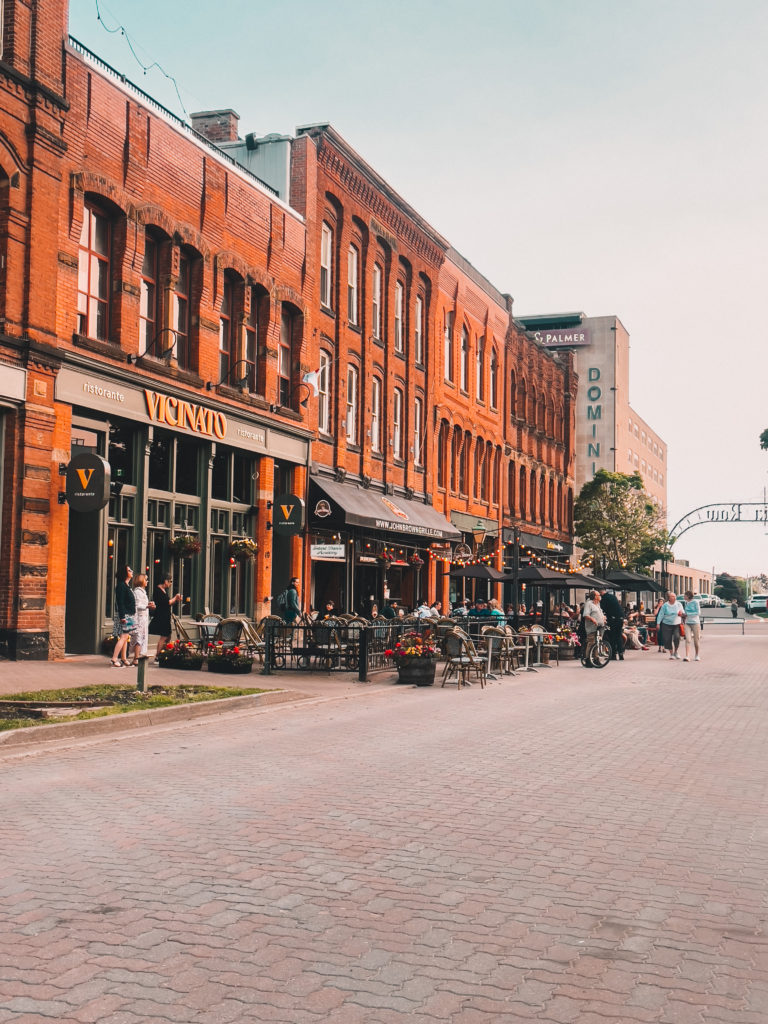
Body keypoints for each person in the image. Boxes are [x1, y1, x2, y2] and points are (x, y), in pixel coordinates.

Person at [149, 572, 181, 663]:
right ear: (165, 581)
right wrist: (175, 598)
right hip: (161, 616)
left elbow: (167, 604)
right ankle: (158, 656)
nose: (171, 583)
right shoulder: (158, 590)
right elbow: (166, 603)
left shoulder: (163, 590)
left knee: (168, 636)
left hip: (165, 615)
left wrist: (175, 600)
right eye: (170, 581)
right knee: (164, 636)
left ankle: (164, 654)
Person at [112, 564, 135, 668]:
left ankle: (124, 658)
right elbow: (120, 602)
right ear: (125, 573)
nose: (132, 571)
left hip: (129, 614)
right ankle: (114, 658)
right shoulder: (121, 586)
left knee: (125, 637)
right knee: (124, 636)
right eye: (129, 570)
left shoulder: (126, 586)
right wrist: (122, 617)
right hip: (125, 615)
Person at [128, 573, 150, 665]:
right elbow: (137, 606)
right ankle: (136, 658)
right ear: (141, 581)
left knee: (141, 637)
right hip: (139, 619)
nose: (147, 581)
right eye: (146, 580)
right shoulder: (137, 592)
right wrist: (147, 606)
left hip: (143, 618)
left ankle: (138, 656)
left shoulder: (142, 592)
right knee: (138, 637)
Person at [657, 591, 685, 659]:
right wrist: (658, 623)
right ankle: (671, 653)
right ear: (669, 598)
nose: (674, 597)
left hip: (676, 624)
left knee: (677, 638)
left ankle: (676, 652)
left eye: (675, 596)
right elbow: (660, 615)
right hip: (666, 624)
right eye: (672, 596)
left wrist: (682, 614)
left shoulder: (679, 604)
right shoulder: (665, 605)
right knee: (667, 639)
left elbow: (683, 612)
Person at [600, 588, 625, 661]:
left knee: (612, 637)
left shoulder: (604, 598)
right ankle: (621, 654)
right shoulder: (612, 596)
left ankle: (613, 655)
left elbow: (602, 609)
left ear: (601, 592)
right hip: (620, 618)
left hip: (613, 619)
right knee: (618, 636)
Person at [581, 590, 605, 666]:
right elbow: (585, 615)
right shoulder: (589, 604)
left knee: (598, 643)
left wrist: (603, 618)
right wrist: (593, 619)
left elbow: (599, 613)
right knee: (591, 642)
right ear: (595, 597)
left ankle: (596, 659)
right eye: (599, 595)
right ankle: (588, 660)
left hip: (600, 627)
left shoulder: (598, 604)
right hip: (592, 627)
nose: (600, 596)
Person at [682, 590, 702, 661]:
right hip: (687, 623)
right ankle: (687, 656)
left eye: (685, 595)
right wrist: (683, 615)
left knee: (696, 640)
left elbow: (698, 613)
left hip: (695, 623)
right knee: (688, 639)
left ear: (688, 596)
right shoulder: (686, 602)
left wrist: (687, 614)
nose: (684, 597)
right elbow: (686, 612)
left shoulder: (695, 602)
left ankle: (697, 655)